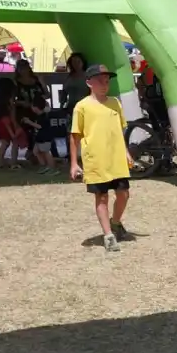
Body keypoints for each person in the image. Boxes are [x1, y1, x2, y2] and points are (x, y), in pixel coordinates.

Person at [70, 64, 135, 253]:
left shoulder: (115, 103)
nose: (104, 84)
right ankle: (108, 235)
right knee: (102, 197)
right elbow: (75, 135)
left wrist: (126, 151)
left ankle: (115, 223)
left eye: (107, 81)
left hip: (116, 159)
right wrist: (74, 163)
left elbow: (120, 130)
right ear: (89, 83)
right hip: (95, 160)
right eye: (100, 80)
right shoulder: (81, 107)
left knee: (124, 194)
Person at [14, 60, 57, 173]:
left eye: (25, 67)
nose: (23, 70)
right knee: (28, 136)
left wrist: (42, 82)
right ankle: (36, 159)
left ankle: (48, 163)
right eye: (21, 68)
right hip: (24, 112)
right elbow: (13, 101)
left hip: (39, 111)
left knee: (41, 135)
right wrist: (23, 103)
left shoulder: (36, 80)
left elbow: (47, 95)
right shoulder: (16, 82)